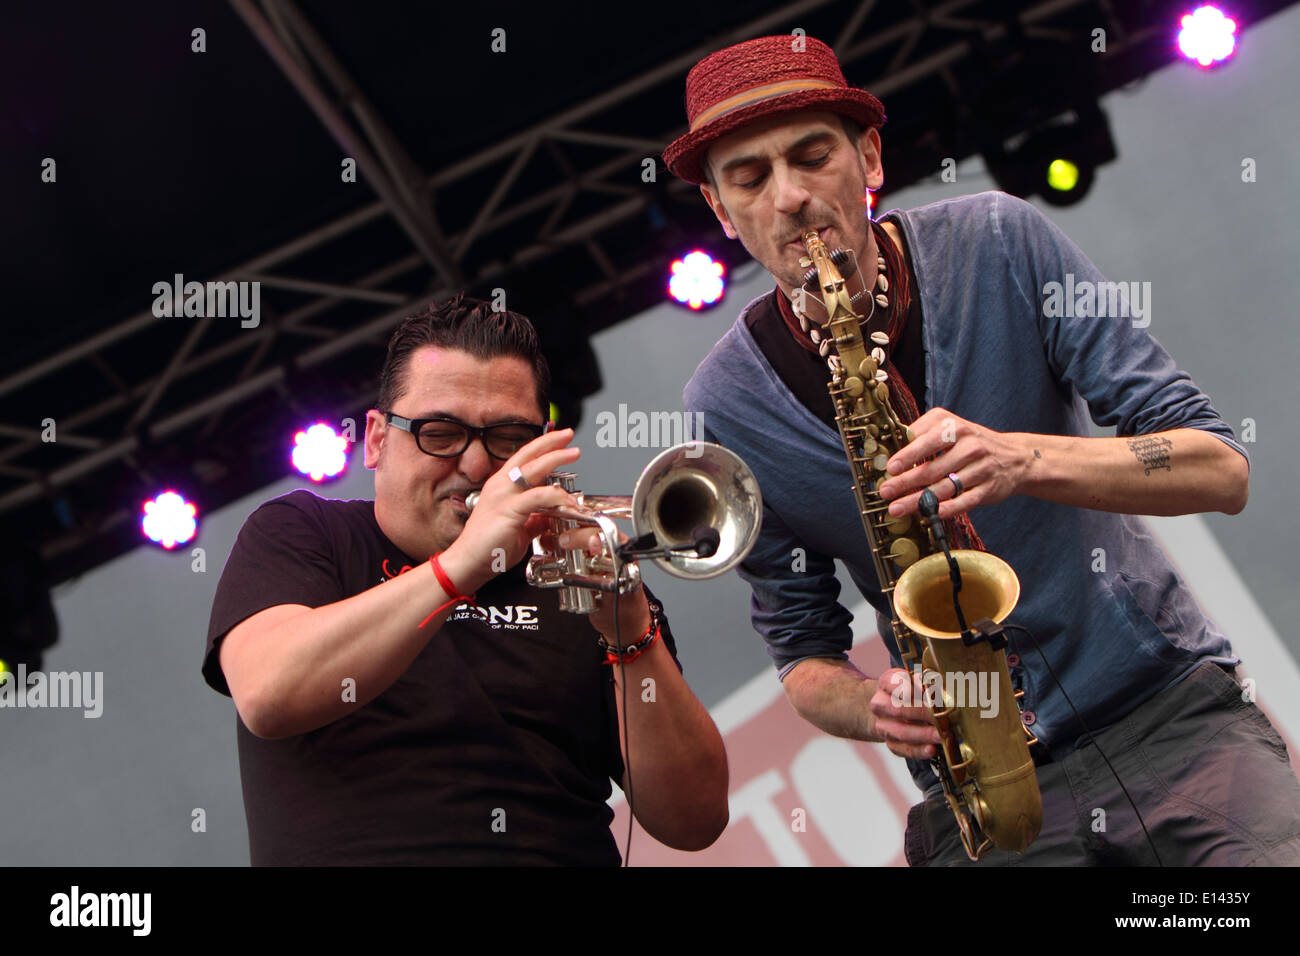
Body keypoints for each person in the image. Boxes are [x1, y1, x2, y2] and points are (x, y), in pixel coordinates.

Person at [664, 34, 1300, 865]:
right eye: (749, 178)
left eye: (813, 157)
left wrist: (1024, 459)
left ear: (869, 156)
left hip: (1171, 720)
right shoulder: (723, 406)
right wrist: (875, 704)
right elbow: (803, 657)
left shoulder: (999, 240)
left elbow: (1220, 468)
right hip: (986, 793)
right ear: (721, 211)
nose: (789, 198)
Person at [202, 294, 728, 865]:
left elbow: (694, 818)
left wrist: (630, 634)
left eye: (507, 438)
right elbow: (269, 692)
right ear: (376, 439)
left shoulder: (584, 575)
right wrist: (462, 567)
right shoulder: (305, 531)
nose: (477, 465)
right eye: (441, 432)